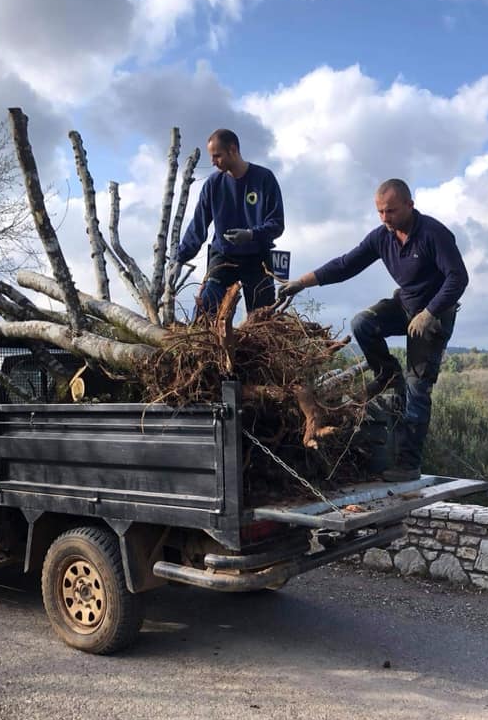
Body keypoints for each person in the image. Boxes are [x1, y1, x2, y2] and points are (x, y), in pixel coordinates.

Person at [278, 179, 468, 482]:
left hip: (434, 316)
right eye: (379, 212)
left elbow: (458, 279)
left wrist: (430, 312)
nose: (384, 218)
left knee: (417, 389)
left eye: (390, 211)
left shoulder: (434, 234)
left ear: (409, 205)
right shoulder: (383, 237)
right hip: (404, 306)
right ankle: (387, 372)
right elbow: (345, 265)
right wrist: (301, 282)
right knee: (362, 323)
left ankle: (408, 465)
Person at [175, 128, 284, 317]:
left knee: (263, 319)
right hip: (223, 256)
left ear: (233, 149)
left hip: (257, 258)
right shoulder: (213, 184)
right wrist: (179, 259)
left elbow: (277, 224)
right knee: (206, 308)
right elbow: (198, 225)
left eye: (217, 156)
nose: (213, 162)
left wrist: (251, 235)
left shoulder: (264, 179)